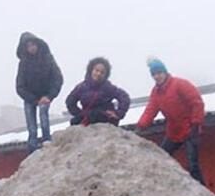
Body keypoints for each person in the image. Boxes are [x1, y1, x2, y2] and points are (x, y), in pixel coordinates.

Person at [136, 57, 206, 185]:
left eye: (159, 73)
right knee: (161, 157)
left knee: (193, 165)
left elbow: (197, 103)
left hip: (190, 130)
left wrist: (196, 125)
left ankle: (202, 193)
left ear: (165, 72)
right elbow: (150, 110)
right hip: (174, 132)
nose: (157, 76)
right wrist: (140, 126)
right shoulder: (156, 92)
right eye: (154, 74)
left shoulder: (180, 84)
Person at [16, 32, 63, 153]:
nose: (31, 48)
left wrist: (49, 96)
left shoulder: (48, 59)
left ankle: (47, 141)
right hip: (30, 97)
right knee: (32, 127)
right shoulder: (23, 64)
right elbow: (19, 86)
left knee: (43, 115)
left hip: (45, 95)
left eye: (33, 45)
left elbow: (57, 79)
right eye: (28, 46)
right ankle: (32, 147)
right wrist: (33, 100)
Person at [65, 57, 130, 126]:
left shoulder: (108, 87)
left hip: (105, 118)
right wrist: (80, 114)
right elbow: (70, 102)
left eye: (102, 72)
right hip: (88, 118)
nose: (99, 74)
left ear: (105, 75)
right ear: (91, 70)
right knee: (74, 122)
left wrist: (118, 113)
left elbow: (124, 97)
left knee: (96, 115)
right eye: (97, 70)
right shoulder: (81, 87)